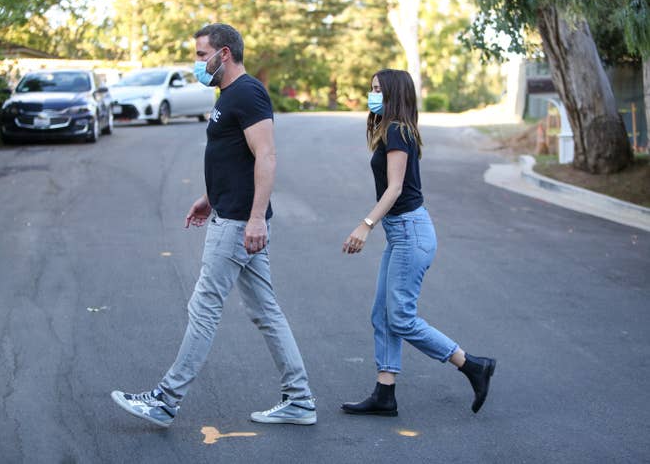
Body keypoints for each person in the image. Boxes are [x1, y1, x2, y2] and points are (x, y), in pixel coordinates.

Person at [111, 23, 316, 428]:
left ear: (224, 54)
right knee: (266, 312)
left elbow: (266, 156)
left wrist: (255, 217)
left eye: (202, 55)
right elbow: (232, 157)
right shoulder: (229, 96)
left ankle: (165, 400)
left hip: (239, 223)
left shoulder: (248, 93)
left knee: (204, 307)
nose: (197, 63)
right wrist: (210, 198)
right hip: (231, 212)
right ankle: (300, 399)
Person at [340, 69, 495, 417]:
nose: (372, 94)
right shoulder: (393, 129)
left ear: (394, 94)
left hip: (410, 232)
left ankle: (472, 365)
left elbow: (394, 189)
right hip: (402, 233)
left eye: (378, 89)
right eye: (371, 88)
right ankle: (385, 393)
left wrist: (365, 225)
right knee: (382, 314)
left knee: (401, 318)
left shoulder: (396, 130)